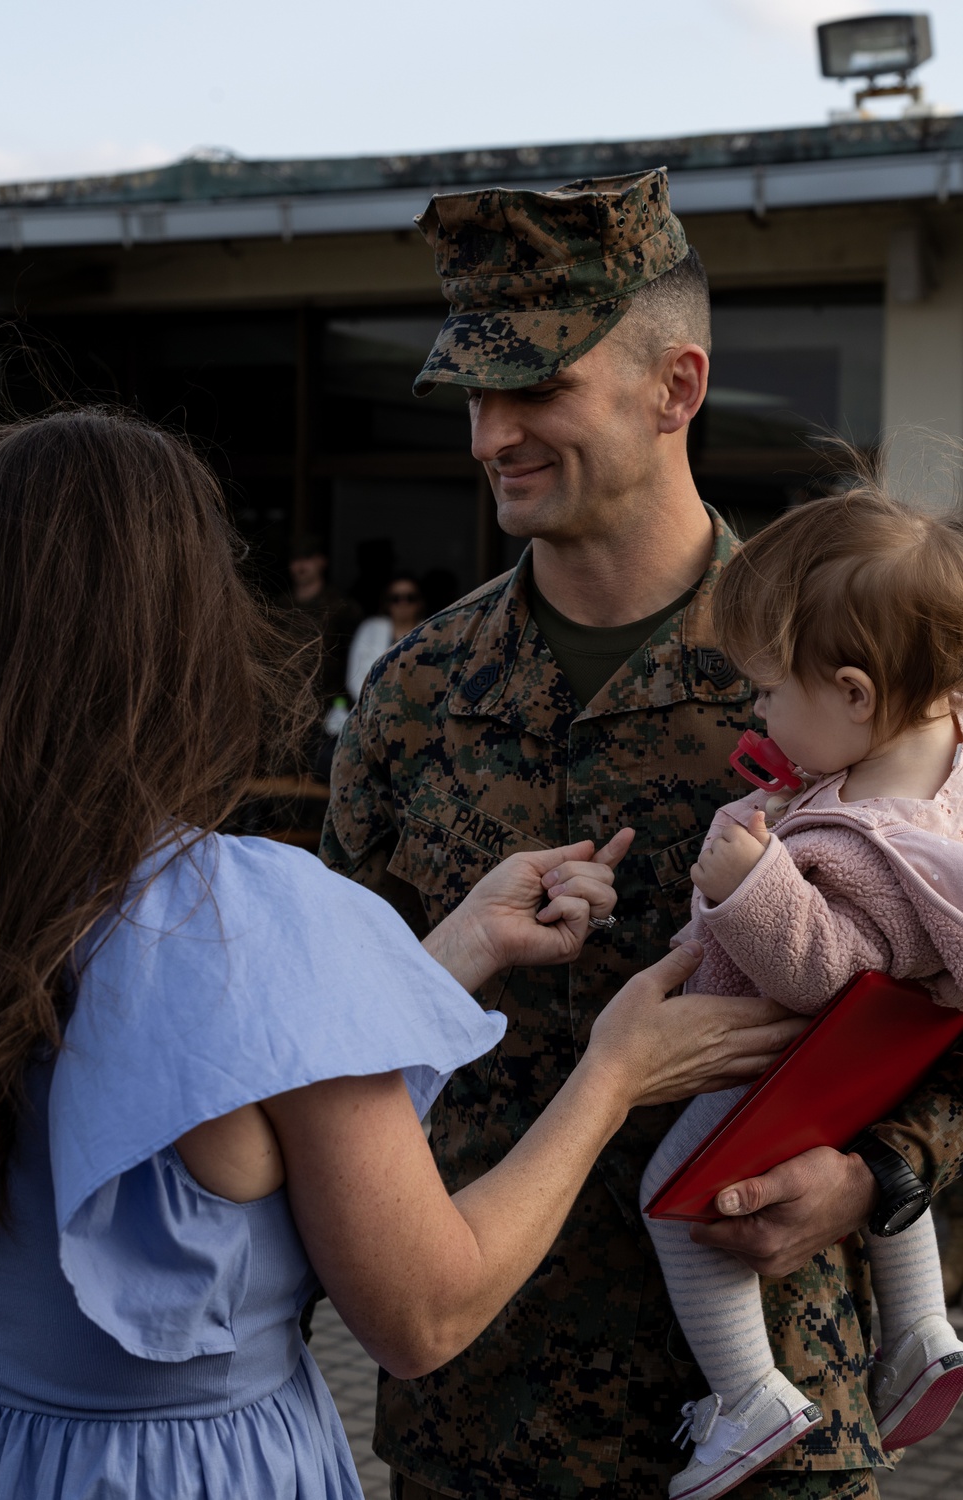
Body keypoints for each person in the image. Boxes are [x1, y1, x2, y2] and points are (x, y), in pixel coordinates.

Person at [0, 408, 798, 1500]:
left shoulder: (10, 895)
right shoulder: (253, 913)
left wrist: (440, 955)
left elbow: (243, 1063)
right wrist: (616, 1073)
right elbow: (421, 1313)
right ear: (187, 633)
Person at [320, 169, 963, 1500]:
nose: (493, 433)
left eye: (538, 387)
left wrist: (874, 1181)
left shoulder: (854, 668)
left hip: (772, 1412)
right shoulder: (419, 692)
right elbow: (328, 1039)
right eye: (476, 396)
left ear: (678, 387)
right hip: (481, 1417)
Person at [640, 483, 963, 1500]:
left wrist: (750, 886)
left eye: (773, 693)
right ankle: (920, 1332)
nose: (759, 713)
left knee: (672, 1203)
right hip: (853, 1082)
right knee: (885, 1190)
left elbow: (826, 972)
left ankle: (749, 1396)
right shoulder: (931, 779)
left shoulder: (878, 847)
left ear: (859, 694)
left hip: (757, 1066)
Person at [278, 534, 362, 773]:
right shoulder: (278, 606)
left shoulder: (342, 607)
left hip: (326, 709)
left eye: (308, 559)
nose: (301, 566)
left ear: (321, 562)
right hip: (283, 708)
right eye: (296, 559)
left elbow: (355, 660)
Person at [347, 574, 426, 702]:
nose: (403, 603)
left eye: (410, 598)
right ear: (386, 602)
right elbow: (356, 678)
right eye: (396, 598)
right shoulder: (370, 628)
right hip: (372, 711)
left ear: (420, 602)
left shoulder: (432, 631)